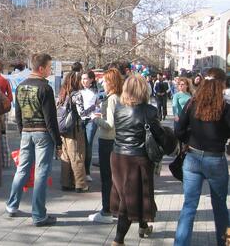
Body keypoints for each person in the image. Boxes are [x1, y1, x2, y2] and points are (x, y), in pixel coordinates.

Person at [111, 75, 171, 245]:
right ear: (144, 89)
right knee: (131, 199)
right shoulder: (150, 111)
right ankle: (118, 240)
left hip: (118, 156)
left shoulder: (118, 108)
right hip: (137, 159)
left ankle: (143, 226)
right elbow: (160, 136)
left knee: (129, 193)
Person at [174, 68, 230, 246]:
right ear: (221, 85)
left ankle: (181, 244)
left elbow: (178, 130)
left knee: (189, 206)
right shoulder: (225, 107)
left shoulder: (193, 103)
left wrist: (188, 140)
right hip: (216, 158)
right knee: (220, 206)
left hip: (193, 157)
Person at [6, 53, 62, 227]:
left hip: (26, 133)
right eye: (49, 67)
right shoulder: (45, 88)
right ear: (41, 68)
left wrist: (23, 131)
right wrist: (58, 143)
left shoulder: (21, 87)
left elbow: (19, 116)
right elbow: (51, 119)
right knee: (41, 173)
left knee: (22, 169)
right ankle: (38, 214)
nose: (50, 70)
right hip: (43, 134)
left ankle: (12, 205)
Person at [89, 68, 122, 224]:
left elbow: (109, 124)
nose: (102, 83)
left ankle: (106, 210)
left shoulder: (112, 99)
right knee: (114, 177)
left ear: (111, 82)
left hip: (108, 140)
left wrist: (95, 119)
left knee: (106, 177)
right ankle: (113, 208)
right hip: (115, 140)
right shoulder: (118, 97)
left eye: (105, 81)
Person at [57, 71, 88, 193]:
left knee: (65, 156)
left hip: (63, 129)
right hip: (74, 129)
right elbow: (82, 113)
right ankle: (80, 184)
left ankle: (66, 183)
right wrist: (93, 108)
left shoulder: (62, 94)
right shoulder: (77, 95)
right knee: (77, 155)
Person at [73, 70, 98, 182]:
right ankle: (79, 171)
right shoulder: (78, 92)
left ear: (92, 79)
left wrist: (95, 108)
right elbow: (82, 112)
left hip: (91, 121)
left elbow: (98, 107)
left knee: (88, 145)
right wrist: (93, 107)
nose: (83, 81)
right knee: (79, 146)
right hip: (80, 120)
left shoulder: (96, 91)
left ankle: (86, 171)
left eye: (86, 78)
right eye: (82, 78)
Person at [0, 59, 13, 167]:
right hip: (3, 112)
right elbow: (10, 98)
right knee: (3, 136)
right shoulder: (5, 81)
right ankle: (6, 162)